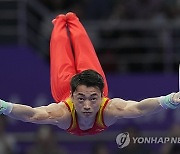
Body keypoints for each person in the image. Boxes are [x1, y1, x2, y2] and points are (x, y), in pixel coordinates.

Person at [0, 12, 179, 136]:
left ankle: (72, 21)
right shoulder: (62, 112)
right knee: (65, 48)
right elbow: (31, 114)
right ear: (73, 95)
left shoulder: (108, 109)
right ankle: (62, 22)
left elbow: (139, 108)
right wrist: (3, 106)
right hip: (65, 87)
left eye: (93, 98)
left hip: (64, 87)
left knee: (78, 50)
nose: (87, 105)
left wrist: (169, 100)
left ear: (102, 96)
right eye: (81, 99)